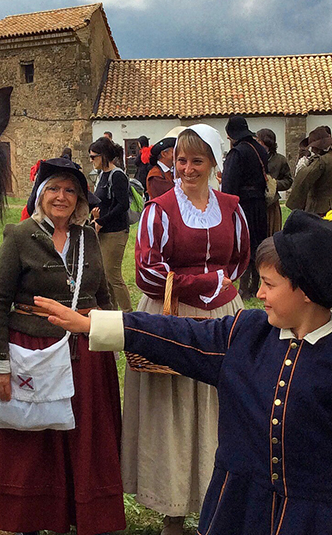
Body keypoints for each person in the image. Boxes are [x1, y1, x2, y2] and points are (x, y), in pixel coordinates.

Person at [34, 211, 332, 535]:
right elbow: (174, 333)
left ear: (306, 290)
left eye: (270, 285)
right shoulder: (245, 334)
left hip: (319, 522)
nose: (259, 294)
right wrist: (93, 326)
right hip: (236, 512)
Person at [0, 157, 125, 535]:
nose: (61, 197)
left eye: (70, 190)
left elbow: (104, 295)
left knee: (85, 440)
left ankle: (85, 515)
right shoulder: (19, 236)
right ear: (40, 194)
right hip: (32, 352)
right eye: (54, 189)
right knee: (34, 441)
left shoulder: (87, 237)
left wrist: (116, 340)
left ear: (79, 199)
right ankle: (31, 518)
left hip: (86, 358)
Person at [129, 124, 249, 535]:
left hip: (222, 314)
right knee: (176, 413)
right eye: (181, 160)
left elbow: (239, 258)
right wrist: (200, 284)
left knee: (221, 406)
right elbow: (147, 268)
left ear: (214, 163)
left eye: (197, 160)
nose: (187, 168)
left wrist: (221, 288)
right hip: (171, 312)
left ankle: (217, 500)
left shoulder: (231, 207)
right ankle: (174, 510)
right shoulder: (159, 209)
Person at [222, 116, 270, 299]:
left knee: (243, 243)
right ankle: (257, 284)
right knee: (258, 243)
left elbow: (229, 185)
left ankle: (244, 288)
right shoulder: (260, 149)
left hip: (243, 205)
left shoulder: (237, 153)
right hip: (259, 204)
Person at [89, 136, 134, 312]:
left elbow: (123, 205)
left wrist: (101, 220)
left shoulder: (117, 176)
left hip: (116, 231)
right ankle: (112, 313)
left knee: (112, 274)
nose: (91, 161)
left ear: (104, 156)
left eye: (94, 157)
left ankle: (128, 314)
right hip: (103, 229)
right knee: (105, 276)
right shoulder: (102, 175)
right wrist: (95, 214)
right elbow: (102, 201)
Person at [286, 126, 332, 215]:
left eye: (313, 147)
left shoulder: (321, 161)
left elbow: (303, 180)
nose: (313, 150)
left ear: (318, 147)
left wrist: (295, 205)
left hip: (320, 210)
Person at [257, 128, 293, 234]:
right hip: (256, 202)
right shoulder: (253, 157)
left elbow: (288, 180)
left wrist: (274, 184)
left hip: (272, 204)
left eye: (259, 140)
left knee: (272, 234)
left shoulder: (280, 160)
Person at [145, 132, 178, 199]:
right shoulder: (155, 175)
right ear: (164, 154)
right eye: (174, 151)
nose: (177, 154)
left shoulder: (170, 171)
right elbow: (172, 195)